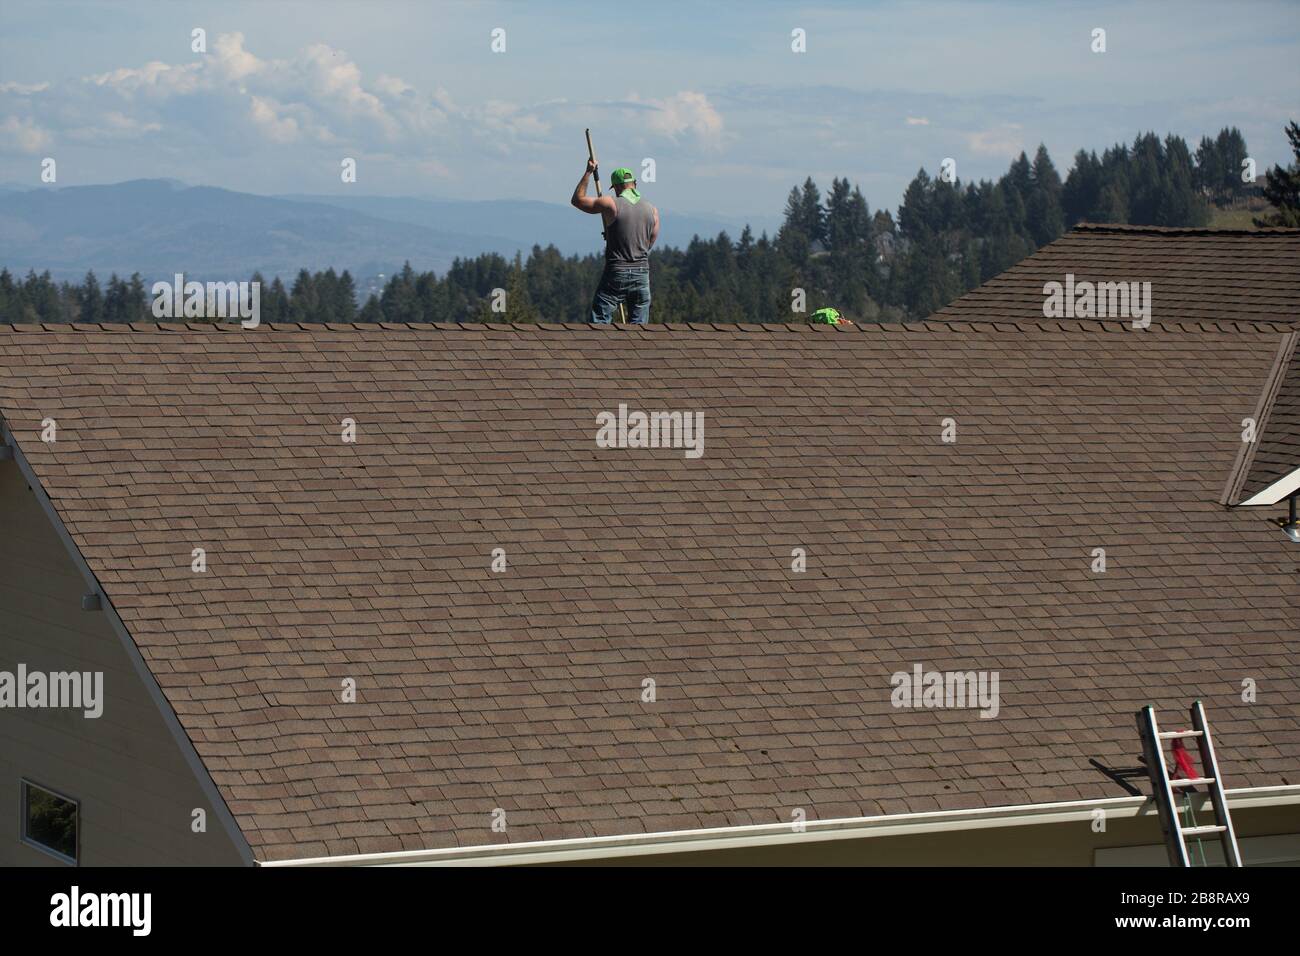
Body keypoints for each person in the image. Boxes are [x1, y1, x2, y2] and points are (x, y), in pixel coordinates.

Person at [571, 160, 660, 324]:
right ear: (634, 183)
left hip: (617, 270)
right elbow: (649, 242)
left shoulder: (611, 204)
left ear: (617, 187)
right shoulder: (652, 210)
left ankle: (601, 348)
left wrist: (588, 172)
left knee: (601, 316)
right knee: (640, 327)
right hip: (642, 272)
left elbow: (577, 200)